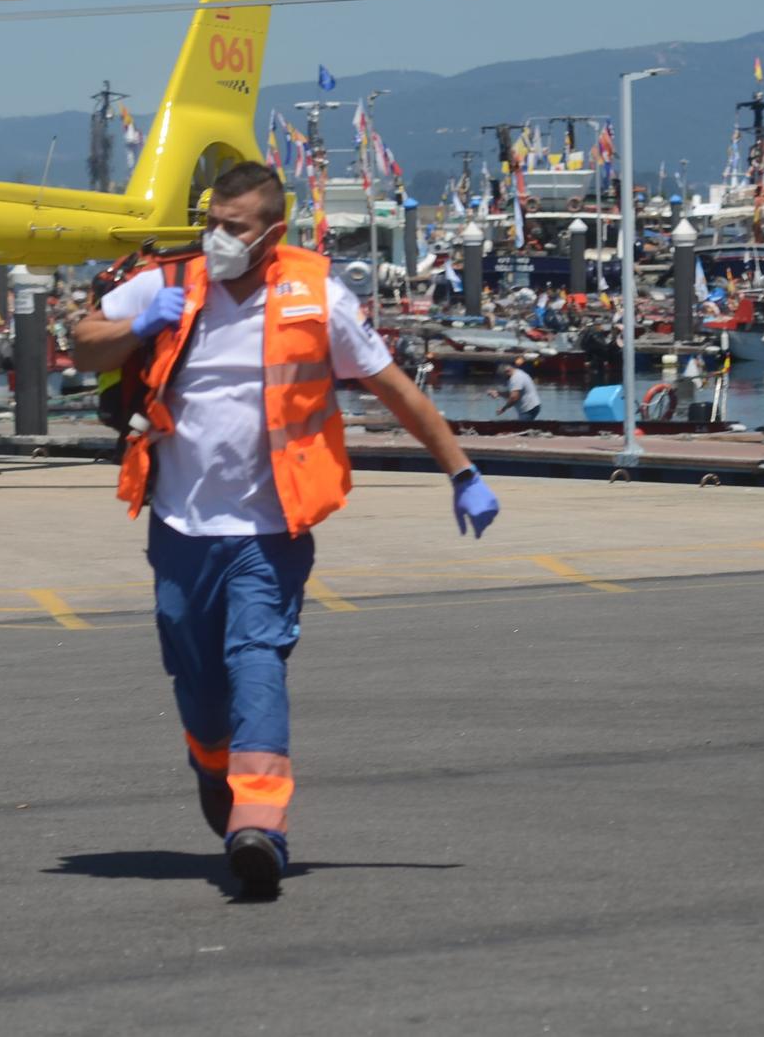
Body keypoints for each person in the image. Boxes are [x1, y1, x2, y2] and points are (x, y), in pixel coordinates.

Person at [72, 163, 500, 899]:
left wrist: (461, 470)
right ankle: (213, 767)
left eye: (233, 226)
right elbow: (83, 343)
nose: (218, 237)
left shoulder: (319, 298)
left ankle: (260, 827)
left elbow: (393, 387)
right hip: (180, 525)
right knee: (198, 681)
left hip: (270, 530)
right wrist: (138, 324)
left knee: (256, 658)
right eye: (212, 221)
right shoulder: (173, 282)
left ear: (272, 231)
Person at [498, 356, 543, 422]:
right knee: (522, 426)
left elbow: (514, 398)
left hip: (529, 408)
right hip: (528, 407)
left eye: (503, 375)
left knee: (521, 428)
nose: (504, 378)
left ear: (507, 371)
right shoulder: (516, 374)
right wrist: (499, 393)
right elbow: (511, 394)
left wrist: (503, 409)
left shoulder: (516, 378)